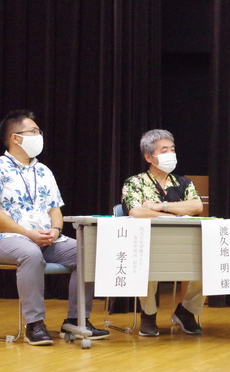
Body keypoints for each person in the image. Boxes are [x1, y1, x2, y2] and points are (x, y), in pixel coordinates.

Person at [0, 110, 110, 345]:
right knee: (30, 254)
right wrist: (27, 233)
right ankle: (35, 324)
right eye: (34, 131)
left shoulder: (44, 170)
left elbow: (55, 210)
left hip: (46, 238)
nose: (39, 135)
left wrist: (56, 230)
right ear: (15, 138)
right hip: (9, 238)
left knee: (87, 252)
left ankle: (77, 319)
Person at [121, 129, 205, 337]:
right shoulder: (135, 182)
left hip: (184, 243)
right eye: (164, 150)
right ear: (149, 157)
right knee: (146, 261)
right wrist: (176, 212)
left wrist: (161, 207)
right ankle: (148, 314)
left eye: (173, 149)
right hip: (149, 242)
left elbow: (196, 206)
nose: (171, 154)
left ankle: (186, 311)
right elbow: (136, 211)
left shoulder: (183, 183)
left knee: (209, 264)